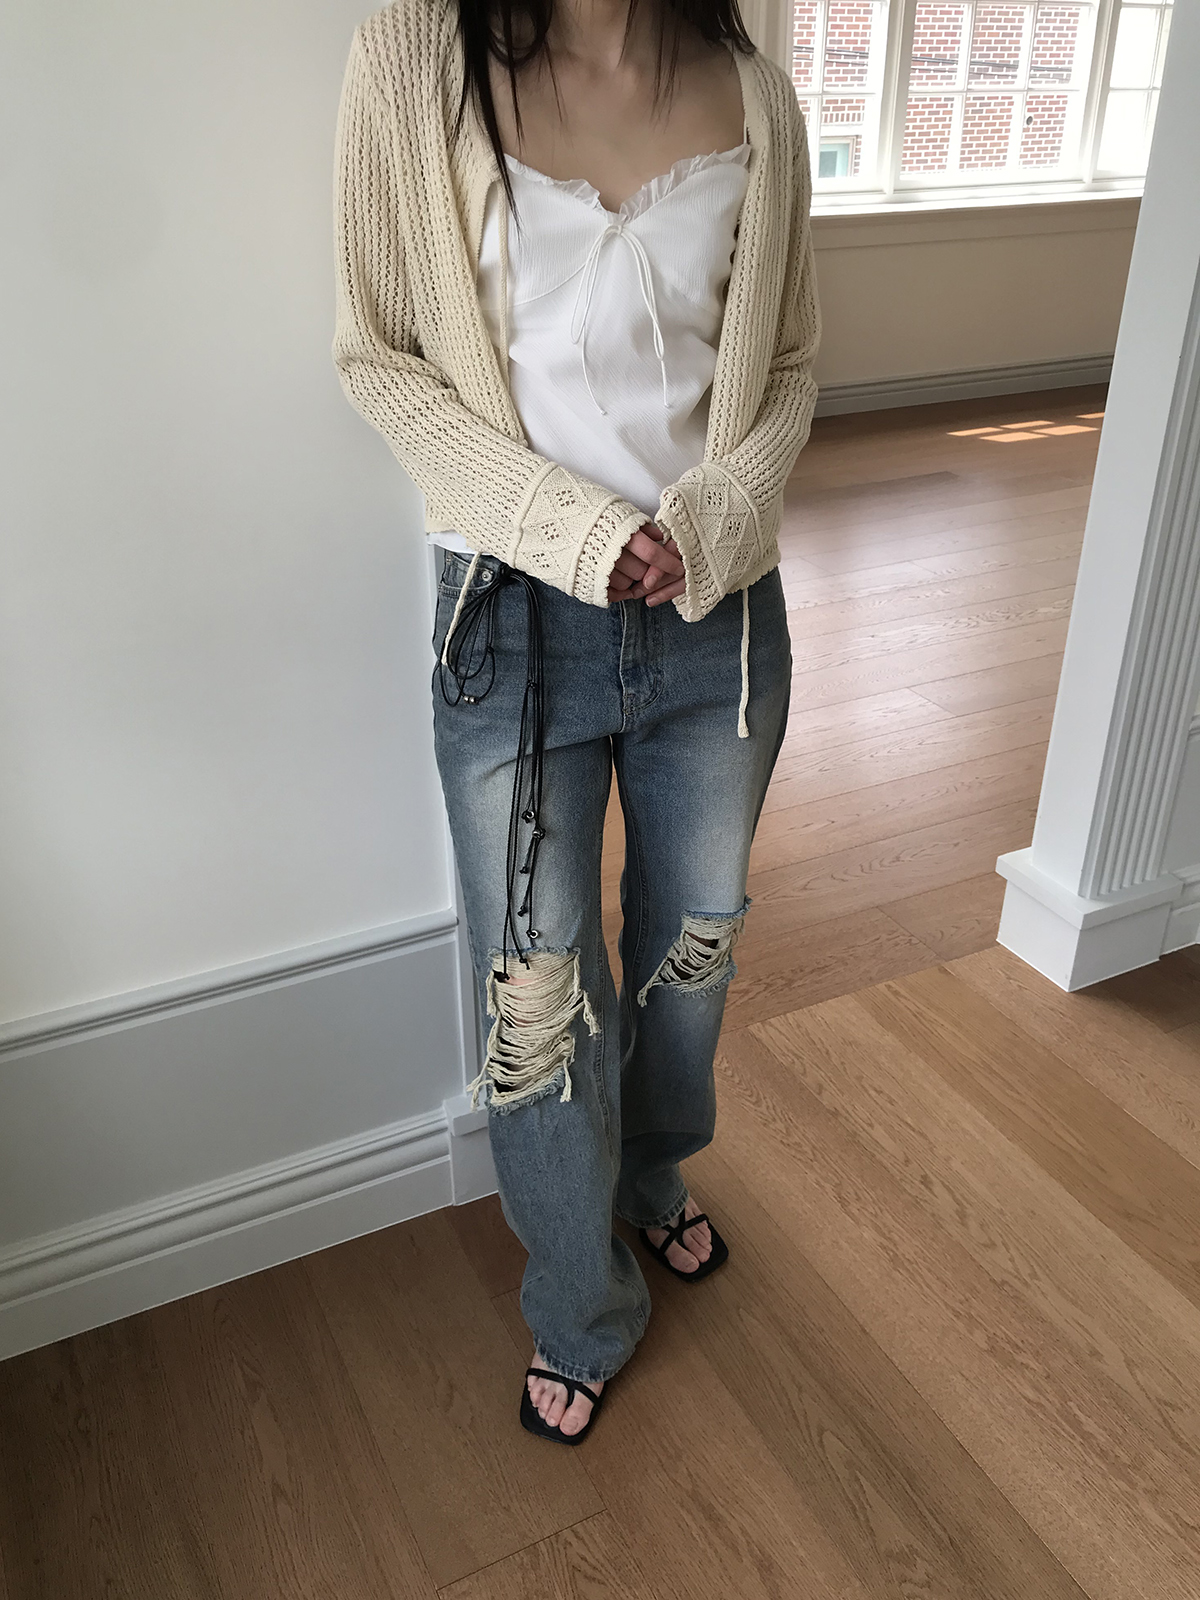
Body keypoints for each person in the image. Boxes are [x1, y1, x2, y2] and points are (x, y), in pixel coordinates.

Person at [333, 0, 820, 1443]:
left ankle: (652, 1176)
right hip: (512, 616)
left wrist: (715, 519)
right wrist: (568, 527)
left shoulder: (755, 90)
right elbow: (378, 355)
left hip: (716, 612)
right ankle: (578, 1296)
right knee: (537, 994)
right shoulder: (414, 59)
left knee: (692, 948)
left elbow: (789, 364)